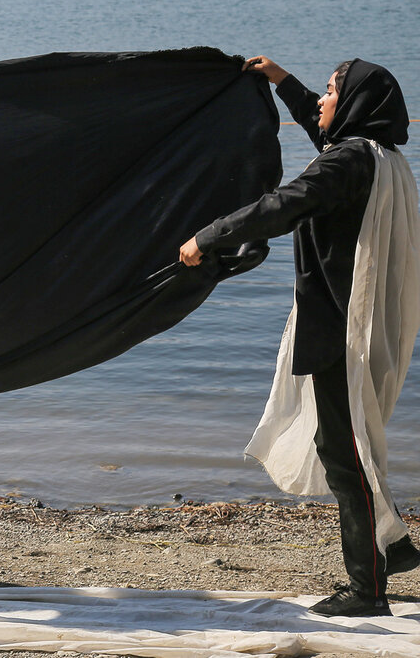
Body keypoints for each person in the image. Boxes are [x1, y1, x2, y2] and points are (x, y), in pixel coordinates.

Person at [179, 56, 420, 617]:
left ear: (355, 103)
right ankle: (394, 547)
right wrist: (284, 82)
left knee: (343, 452)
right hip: (356, 322)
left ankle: (368, 590)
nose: (322, 101)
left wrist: (208, 236)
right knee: (349, 443)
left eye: (332, 90)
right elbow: (326, 134)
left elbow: (283, 204)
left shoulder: (348, 163)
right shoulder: (381, 159)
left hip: (338, 324)